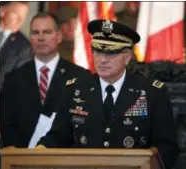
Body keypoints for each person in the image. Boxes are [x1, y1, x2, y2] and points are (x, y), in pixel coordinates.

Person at [37, 19, 178, 169]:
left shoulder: (151, 92)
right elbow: (58, 136)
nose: (102, 60)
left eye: (111, 53)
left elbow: (166, 147)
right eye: (98, 51)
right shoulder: (76, 89)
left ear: (127, 56)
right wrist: (40, 150)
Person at [0, 12, 90, 148]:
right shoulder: (14, 78)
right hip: (21, 160)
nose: (41, 38)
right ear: (30, 38)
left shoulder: (79, 76)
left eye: (47, 32)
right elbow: (7, 124)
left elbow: (82, 123)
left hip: (64, 159)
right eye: (35, 33)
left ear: (59, 36)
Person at [0, 1, 33, 92]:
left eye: (23, 17)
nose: (20, 21)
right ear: (2, 11)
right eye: (16, 15)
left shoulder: (24, 47)